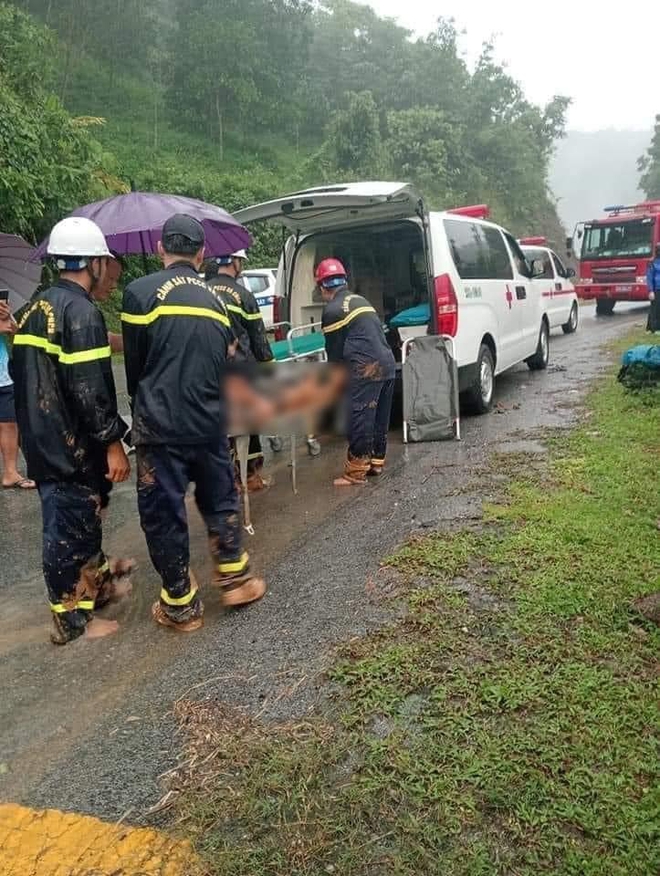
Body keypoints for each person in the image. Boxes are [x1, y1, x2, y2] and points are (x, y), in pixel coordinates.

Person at [122, 214, 266, 633]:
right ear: (202, 253)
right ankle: (236, 579)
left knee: (164, 513)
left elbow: (134, 367)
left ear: (160, 249)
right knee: (221, 499)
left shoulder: (139, 293)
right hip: (210, 422)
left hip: (161, 425)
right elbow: (228, 362)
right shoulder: (217, 302)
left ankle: (182, 606)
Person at [11, 217, 132, 645]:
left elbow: (21, 372)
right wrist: (114, 443)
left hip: (43, 440)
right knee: (66, 535)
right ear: (94, 262)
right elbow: (90, 391)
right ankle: (70, 622)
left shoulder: (32, 310)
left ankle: (93, 595)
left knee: (81, 522)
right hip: (71, 446)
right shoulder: (81, 313)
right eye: (104, 261)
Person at [317, 258, 396, 486]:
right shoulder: (360, 300)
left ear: (322, 286)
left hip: (366, 369)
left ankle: (355, 472)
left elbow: (334, 351)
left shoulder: (332, 310)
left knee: (359, 415)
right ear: (344, 280)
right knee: (380, 416)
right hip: (387, 362)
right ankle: (376, 462)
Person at [205, 249, 274, 491]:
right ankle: (251, 476)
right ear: (235, 262)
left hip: (210, 372)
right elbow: (258, 337)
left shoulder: (201, 291)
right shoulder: (243, 295)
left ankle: (226, 480)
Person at [0, 300, 35, 490]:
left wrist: (7, 320)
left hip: (3, 374)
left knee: (9, 422)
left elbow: (18, 333)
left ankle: (10, 473)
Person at [645, 243, 660, 333]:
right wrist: (650, 290)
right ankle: (654, 328)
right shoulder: (652, 262)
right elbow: (649, 277)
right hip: (656, 289)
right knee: (655, 309)